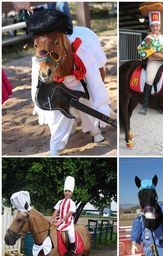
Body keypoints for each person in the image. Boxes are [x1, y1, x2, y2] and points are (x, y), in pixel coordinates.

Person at [27, 9, 116, 155]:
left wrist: (101, 104)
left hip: (77, 77)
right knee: (57, 113)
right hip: (56, 82)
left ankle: (95, 131)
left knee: (87, 102)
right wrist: (39, 104)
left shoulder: (82, 53)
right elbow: (35, 86)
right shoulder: (40, 59)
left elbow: (94, 79)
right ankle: (55, 145)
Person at [137, 8, 163, 115]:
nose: (155, 28)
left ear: (160, 26)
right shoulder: (148, 39)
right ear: (150, 27)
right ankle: (144, 105)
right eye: (153, 26)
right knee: (149, 79)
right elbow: (152, 53)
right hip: (154, 62)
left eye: (157, 26)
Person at [51, 176, 77, 256]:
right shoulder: (60, 201)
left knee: (71, 235)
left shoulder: (72, 203)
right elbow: (56, 211)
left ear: (71, 193)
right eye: (66, 191)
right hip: (60, 219)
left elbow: (69, 214)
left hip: (68, 221)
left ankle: (72, 251)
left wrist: (62, 221)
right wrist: (52, 220)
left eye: (69, 191)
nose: (67, 193)